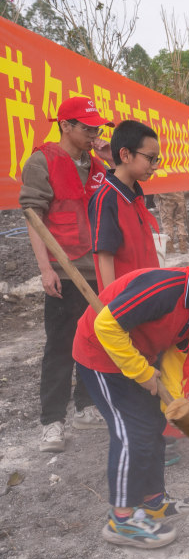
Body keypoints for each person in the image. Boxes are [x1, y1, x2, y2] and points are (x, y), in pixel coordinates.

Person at [72, 242, 189, 547]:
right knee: (130, 433)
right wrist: (142, 371)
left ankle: (152, 502)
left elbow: (178, 351)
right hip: (102, 357)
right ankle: (121, 520)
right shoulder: (164, 289)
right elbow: (105, 325)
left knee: (152, 428)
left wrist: (173, 399)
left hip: (140, 359)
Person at [19, 95, 113, 452]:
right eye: (87, 128)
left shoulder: (97, 164)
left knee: (93, 339)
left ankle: (86, 406)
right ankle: (52, 421)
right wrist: (45, 269)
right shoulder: (42, 161)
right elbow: (33, 216)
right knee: (60, 345)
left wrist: (107, 160)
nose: (94, 134)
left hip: (97, 266)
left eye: (97, 128)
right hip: (63, 266)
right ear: (66, 126)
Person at [88, 120, 161, 292]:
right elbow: (105, 258)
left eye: (156, 159)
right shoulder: (107, 198)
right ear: (125, 155)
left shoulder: (135, 192)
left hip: (146, 292)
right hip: (126, 301)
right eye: (150, 158)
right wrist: (112, 306)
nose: (155, 166)